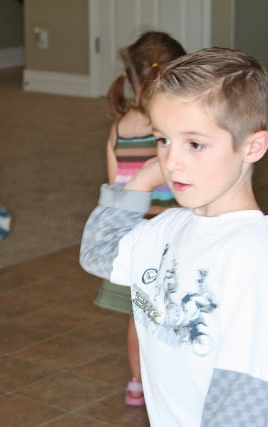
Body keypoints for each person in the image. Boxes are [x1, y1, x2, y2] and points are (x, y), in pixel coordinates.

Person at [80, 47, 268, 426]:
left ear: (252, 147)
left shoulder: (253, 266)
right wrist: (142, 180)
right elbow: (98, 253)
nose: (172, 162)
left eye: (195, 144)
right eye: (163, 140)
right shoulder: (167, 228)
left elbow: (245, 408)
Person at [94, 30, 186, 407]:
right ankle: (175, 383)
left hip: (135, 242)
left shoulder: (118, 129)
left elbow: (118, 193)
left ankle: (137, 384)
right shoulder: (174, 127)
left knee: (140, 318)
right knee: (177, 315)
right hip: (173, 239)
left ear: (131, 77)